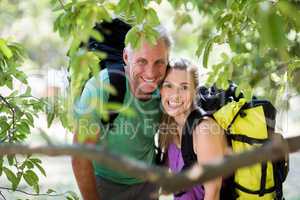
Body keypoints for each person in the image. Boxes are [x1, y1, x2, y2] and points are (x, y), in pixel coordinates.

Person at [72, 25, 171, 200]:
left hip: (147, 183)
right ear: (126, 56)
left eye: (159, 62)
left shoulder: (168, 88)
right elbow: (80, 155)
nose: (151, 72)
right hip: (105, 183)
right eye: (142, 61)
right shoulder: (102, 87)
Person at [159, 59, 227, 200]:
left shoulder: (204, 130)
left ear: (195, 91)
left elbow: (213, 194)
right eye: (168, 85)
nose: (175, 94)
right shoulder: (169, 128)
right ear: (160, 89)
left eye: (184, 87)